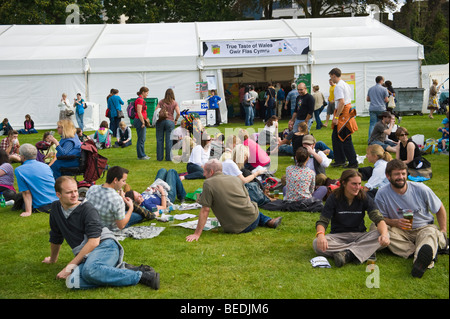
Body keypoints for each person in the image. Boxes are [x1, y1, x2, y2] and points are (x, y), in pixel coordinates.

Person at [43, 176, 160, 290]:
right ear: (58, 194)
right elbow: (56, 236)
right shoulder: (55, 208)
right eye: (69, 192)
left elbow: (94, 242)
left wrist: (69, 268)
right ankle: (120, 269)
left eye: (75, 191)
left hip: (105, 245)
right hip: (86, 254)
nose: (74, 195)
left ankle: (143, 276)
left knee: (89, 272)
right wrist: (53, 259)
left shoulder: (87, 209)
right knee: (73, 281)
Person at [374, 159, 447, 278]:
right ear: (388, 176)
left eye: (403, 173)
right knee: (378, 230)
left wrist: (443, 230)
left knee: (430, 233)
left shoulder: (421, 189)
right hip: (400, 231)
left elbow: (439, 208)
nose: (401, 177)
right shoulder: (382, 194)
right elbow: (380, 218)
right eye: (397, 174)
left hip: (423, 227)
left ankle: (421, 263)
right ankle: (423, 252)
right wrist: (395, 222)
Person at [186, 159, 282, 242]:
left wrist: (197, 234)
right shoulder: (235, 179)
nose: (203, 174)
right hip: (254, 218)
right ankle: (268, 221)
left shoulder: (208, 183)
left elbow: (205, 210)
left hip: (235, 228)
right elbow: (248, 199)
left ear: (211, 172)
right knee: (251, 207)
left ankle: (268, 221)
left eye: (204, 171)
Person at [313, 169, 390, 267]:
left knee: (386, 234)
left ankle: (347, 255)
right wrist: (320, 235)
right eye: (354, 184)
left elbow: (378, 219)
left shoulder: (364, 197)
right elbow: (323, 221)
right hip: (338, 236)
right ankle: (364, 251)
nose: (357, 187)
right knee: (317, 244)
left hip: (359, 236)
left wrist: (384, 235)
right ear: (344, 183)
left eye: (359, 184)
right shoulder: (333, 197)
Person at [13, 144, 58, 217]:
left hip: (41, 204)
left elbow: (26, 193)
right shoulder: (45, 166)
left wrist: (28, 211)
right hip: (56, 200)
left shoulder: (19, 170)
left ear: (23, 156)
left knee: (19, 198)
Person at [85, 166, 135, 231]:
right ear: (115, 180)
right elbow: (121, 225)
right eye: (123, 181)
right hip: (108, 229)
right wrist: (131, 207)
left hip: (92, 225)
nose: (125, 183)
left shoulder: (92, 188)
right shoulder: (117, 199)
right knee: (137, 215)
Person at [328, 68, 358, 169]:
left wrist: (336, 117)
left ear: (333, 75)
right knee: (336, 137)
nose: (330, 78)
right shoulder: (344, 84)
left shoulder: (338, 86)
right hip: (345, 112)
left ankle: (353, 162)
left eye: (330, 76)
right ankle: (340, 160)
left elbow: (341, 102)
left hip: (343, 114)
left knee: (345, 138)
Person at [156, 88, 180, 161]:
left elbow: (156, 111)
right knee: (169, 140)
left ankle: (159, 158)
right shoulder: (174, 103)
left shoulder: (161, 101)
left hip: (160, 122)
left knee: (160, 140)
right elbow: (178, 113)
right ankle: (169, 158)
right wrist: (175, 120)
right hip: (170, 122)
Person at [134, 87, 150, 160]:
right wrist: (143, 122)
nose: (147, 94)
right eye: (146, 93)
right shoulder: (140, 100)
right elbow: (139, 112)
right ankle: (141, 155)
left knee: (142, 138)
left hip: (140, 119)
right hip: (140, 120)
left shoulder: (140, 99)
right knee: (141, 139)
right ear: (143, 92)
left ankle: (142, 154)